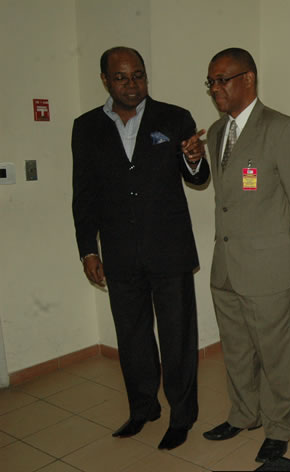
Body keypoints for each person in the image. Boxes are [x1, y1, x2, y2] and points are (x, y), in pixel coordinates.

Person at [72, 46, 208, 450]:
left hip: (169, 251)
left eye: (138, 76)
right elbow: (84, 194)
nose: (132, 85)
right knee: (131, 337)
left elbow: (196, 178)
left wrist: (195, 160)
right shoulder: (86, 127)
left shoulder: (175, 116)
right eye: (122, 77)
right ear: (105, 81)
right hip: (119, 253)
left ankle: (182, 416)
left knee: (177, 337)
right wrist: (87, 249)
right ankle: (142, 407)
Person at [201, 48, 290, 464]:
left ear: (249, 79)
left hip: (271, 267)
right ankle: (243, 415)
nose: (216, 88)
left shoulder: (281, 128)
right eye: (211, 82)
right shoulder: (216, 134)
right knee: (235, 348)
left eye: (223, 79)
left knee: (276, 352)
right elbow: (228, 199)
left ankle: (279, 427)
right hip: (227, 266)